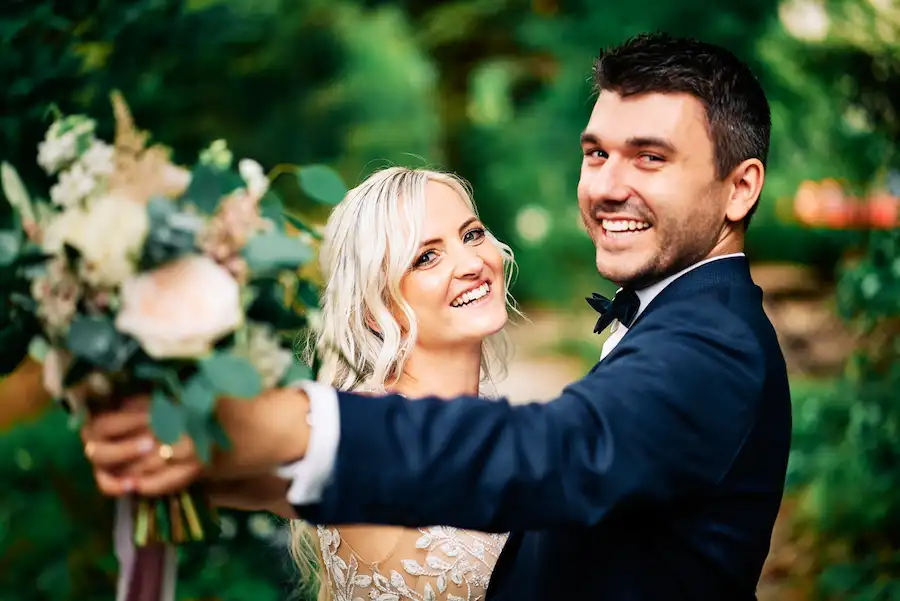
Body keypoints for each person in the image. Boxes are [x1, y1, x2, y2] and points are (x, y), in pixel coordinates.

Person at [81, 32, 792, 601]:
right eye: (597, 153)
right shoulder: (686, 318)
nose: (606, 185)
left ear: (739, 189)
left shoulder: (714, 342)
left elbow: (562, 450)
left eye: (651, 158)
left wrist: (287, 422)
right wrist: (196, 438)